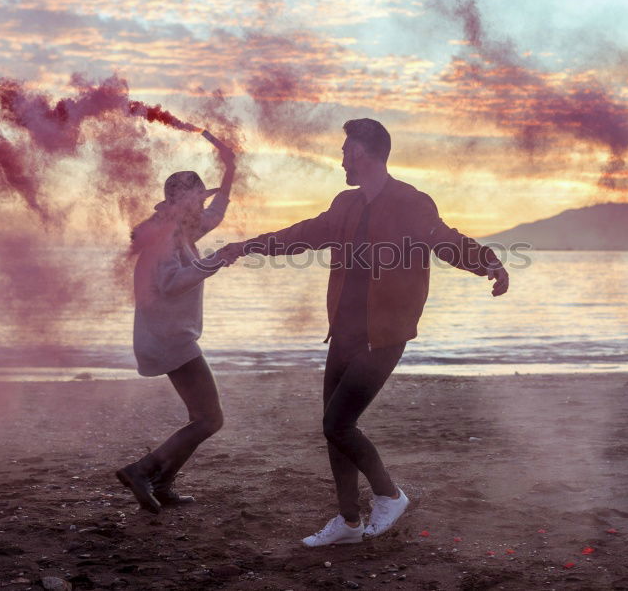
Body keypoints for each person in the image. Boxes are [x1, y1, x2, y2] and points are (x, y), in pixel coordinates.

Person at [217, 118, 508, 546]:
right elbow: (303, 235)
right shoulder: (344, 205)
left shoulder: (410, 201)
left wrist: (488, 262)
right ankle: (349, 521)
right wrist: (247, 246)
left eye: (344, 151)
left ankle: (389, 495)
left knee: (337, 423)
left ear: (363, 153)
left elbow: (444, 239)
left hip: (384, 335)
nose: (340, 161)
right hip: (343, 332)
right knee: (333, 426)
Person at [116, 144, 237, 514]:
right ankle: (143, 471)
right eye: (198, 200)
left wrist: (230, 169)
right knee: (209, 418)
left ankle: (163, 483)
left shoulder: (180, 230)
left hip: (169, 337)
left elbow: (215, 214)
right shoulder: (166, 236)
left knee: (200, 417)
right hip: (169, 339)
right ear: (184, 201)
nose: (203, 207)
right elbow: (170, 283)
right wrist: (215, 261)